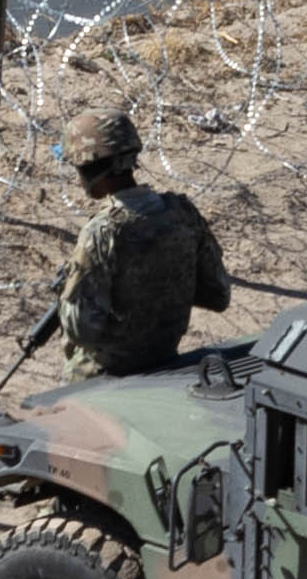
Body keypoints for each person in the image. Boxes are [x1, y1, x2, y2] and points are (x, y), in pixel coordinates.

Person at [46, 106, 232, 377]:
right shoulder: (182, 214)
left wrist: (68, 293)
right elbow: (218, 295)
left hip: (101, 379)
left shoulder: (101, 232)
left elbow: (81, 331)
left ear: (88, 168)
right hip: (165, 362)